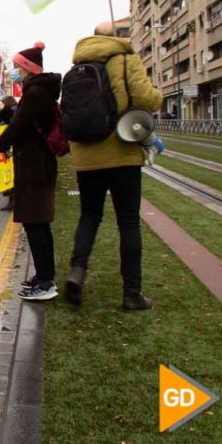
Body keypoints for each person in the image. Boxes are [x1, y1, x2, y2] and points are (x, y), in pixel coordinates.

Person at [64, 23, 162, 311]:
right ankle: (132, 294)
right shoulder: (126, 59)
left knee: (89, 216)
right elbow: (146, 98)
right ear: (116, 37)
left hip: (85, 156)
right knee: (128, 221)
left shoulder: (76, 68)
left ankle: (76, 272)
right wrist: (158, 95)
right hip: (122, 152)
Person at [0, 43, 62, 301]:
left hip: (35, 165)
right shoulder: (39, 91)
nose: (14, 71)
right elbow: (24, 118)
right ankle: (44, 275)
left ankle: (46, 281)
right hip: (36, 163)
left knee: (35, 222)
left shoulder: (35, 93)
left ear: (28, 68)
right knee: (37, 222)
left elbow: (20, 125)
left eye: (17, 66)